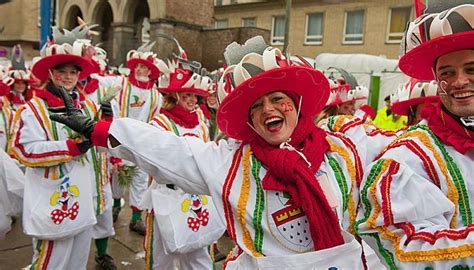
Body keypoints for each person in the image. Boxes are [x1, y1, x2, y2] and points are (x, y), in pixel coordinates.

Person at [51, 36, 386, 269]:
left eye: (277, 98)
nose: (269, 109)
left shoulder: (342, 149)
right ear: (249, 119)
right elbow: (170, 150)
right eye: (256, 105)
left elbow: (408, 157)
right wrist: (98, 129)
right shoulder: (230, 161)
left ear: (296, 103)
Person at [355, 3, 474, 269]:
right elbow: (408, 250)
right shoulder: (406, 158)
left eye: (471, 69)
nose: (459, 81)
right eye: (447, 73)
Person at [9, 25, 112, 269]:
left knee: (77, 263)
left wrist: (106, 126)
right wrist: (70, 147)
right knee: (51, 263)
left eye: (73, 72)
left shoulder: (86, 107)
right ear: (50, 74)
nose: (67, 77)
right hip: (53, 201)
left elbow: (100, 151)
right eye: (61, 71)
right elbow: (23, 151)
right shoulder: (32, 110)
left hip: (85, 202)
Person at [142, 55, 215, 269]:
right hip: (167, 197)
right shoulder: (159, 123)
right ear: (174, 95)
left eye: (195, 96)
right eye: (186, 95)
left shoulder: (200, 123)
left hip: (197, 198)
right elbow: (153, 161)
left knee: (199, 255)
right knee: (161, 257)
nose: (192, 100)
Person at [93, 42, 162, 234]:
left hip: (142, 143)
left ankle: (136, 218)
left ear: (150, 71)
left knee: (139, 179)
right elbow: (98, 83)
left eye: (144, 67)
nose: (140, 69)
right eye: (138, 66)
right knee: (117, 176)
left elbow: (156, 120)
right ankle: (116, 205)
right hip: (119, 139)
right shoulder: (120, 84)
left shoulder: (156, 95)